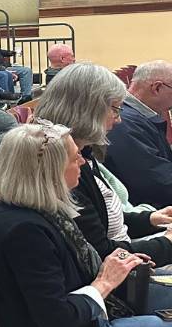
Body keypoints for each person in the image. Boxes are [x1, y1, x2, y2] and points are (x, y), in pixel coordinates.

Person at [0, 122, 172, 327]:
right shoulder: (24, 231)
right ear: (49, 170)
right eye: (74, 156)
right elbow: (57, 319)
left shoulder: (34, 210)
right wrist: (104, 282)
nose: (81, 162)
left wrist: (117, 264)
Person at [34, 63, 172, 267]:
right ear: (87, 109)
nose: (118, 120)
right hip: (114, 276)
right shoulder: (63, 166)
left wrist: (151, 218)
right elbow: (102, 254)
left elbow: (102, 220)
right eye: (115, 110)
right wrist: (167, 243)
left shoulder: (82, 152)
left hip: (124, 254)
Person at [107, 61, 172, 208]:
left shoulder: (134, 116)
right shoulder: (123, 123)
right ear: (157, 87)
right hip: (149, 213)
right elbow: (156, 180)